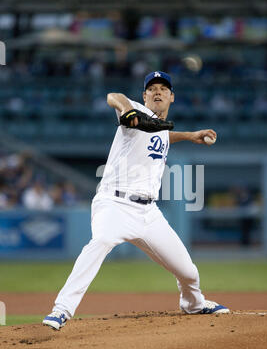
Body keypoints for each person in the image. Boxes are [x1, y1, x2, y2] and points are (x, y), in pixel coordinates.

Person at [43, 71, 229, 330]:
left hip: (148, 213)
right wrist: (128, 109)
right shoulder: (136, 112)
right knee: (101, 241)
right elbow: (114, 97)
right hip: (114, 204)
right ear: (144, 95)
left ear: (172, 97)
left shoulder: (160, 127)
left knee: (188, 272)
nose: (157, 91)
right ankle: (61, 310)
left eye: (163, 88)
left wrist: (189, 135)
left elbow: (160, 135)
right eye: (152, 88)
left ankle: (194, 304)